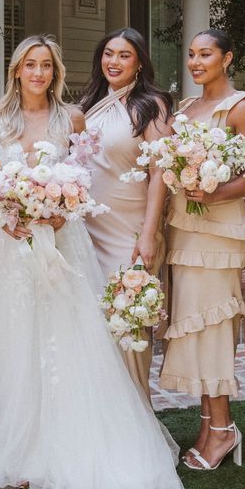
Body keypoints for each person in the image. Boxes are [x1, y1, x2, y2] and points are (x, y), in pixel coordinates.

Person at [0, 35, 185, 489]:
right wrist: (13, 215)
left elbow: (82, 178)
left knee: (67, 337)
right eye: (30, 65)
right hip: (11, 247)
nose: (38, 73)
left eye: (46, 65)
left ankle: (69, 442)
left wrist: (58, 211)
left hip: (64, 240)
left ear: (56, 71)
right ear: (16, 70)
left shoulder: (74, 117)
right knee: (15, 338)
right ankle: (19, 445)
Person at [160, 29, 245, 471]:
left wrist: (216, 191)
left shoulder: (243, 108)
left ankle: (222, 428)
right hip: (183, 230)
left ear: (227, 58)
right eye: (190, 55)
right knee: (192, 325)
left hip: (219, 235)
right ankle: (210, 423)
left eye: (205, 54)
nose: (195, 62)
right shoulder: (185, 109)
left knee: (213, 326)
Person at [80, 28, 173, 398]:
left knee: (128, 322)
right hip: (86, 229)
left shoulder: (151, 105)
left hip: (129, 231)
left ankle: (138, 417)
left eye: (123, 55)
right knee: (92, 331)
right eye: (108, 53)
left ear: (139, 64)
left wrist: (149, 234)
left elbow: (160, 172)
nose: (113, 62)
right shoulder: (89, 102)